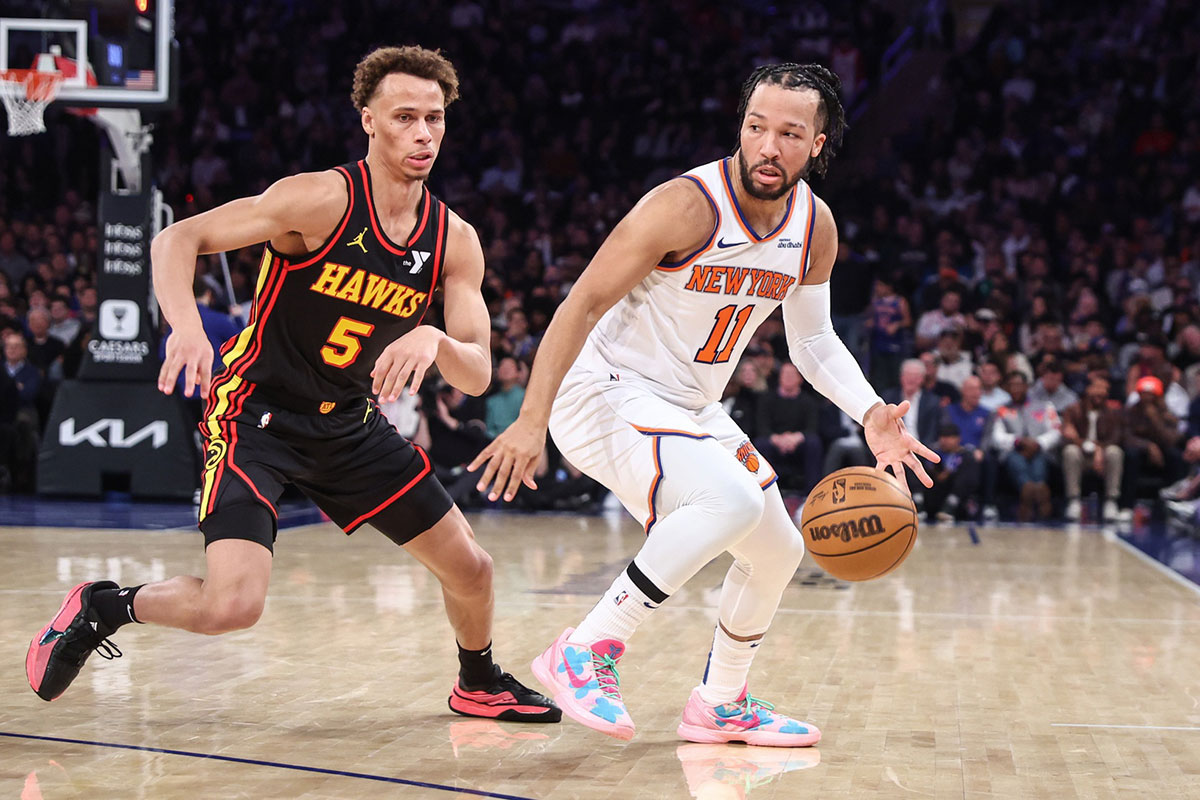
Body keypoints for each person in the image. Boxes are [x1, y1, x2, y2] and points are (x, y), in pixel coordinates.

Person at [26, 46, 559, 723]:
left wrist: (437, 340)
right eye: (404, 117)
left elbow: (478, 370)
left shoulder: (455, 239)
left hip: (349, 423)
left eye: (435, 118)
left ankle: (477, 681)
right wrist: (186, 327)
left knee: (473, 570)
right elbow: (177, 241)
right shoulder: (318, 200)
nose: (423, 133)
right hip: (257, 416)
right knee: (232, 607)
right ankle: (105, 606)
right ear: (368, 121)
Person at [471, 63, 937, 745]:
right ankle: (587, 648)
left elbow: (812, 340)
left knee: (777, 548)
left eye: (788, 133)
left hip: (688, 406)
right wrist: (531, 418)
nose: (767, 147)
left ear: (818, 143)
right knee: (732, 501)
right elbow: (583, 302)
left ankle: (721, 703)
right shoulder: (687, 205)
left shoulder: (815, 227)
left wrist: (870, 413)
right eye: (756, 127)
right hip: (601, 388)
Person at [1059, 377, 1125, 521]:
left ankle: (1111, 501)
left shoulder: (1114, 412)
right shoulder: (1073, 410)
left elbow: (1116, 438)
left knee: (1115, 452)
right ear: (1088, 389)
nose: (1100, 392)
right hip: (1081, 456)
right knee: (1070, 451)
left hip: (1104, 458)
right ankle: (1074, 500)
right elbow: (1068, 437)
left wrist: (1100, 451)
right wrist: (1093, 448)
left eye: (1104, 389)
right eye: (1097, 387)